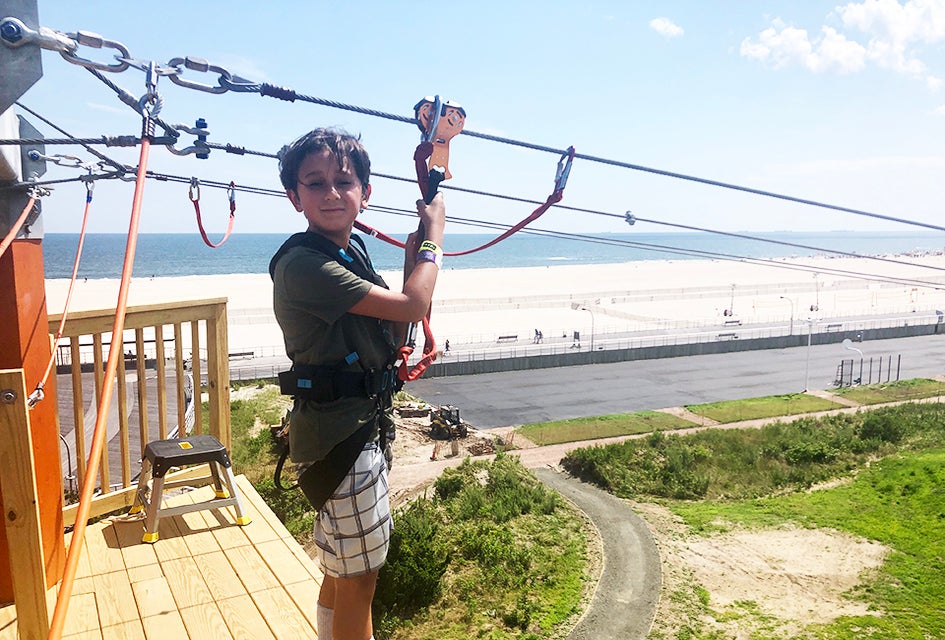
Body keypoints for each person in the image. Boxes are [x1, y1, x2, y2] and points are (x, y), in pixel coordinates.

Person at [270, 128, 445, 640]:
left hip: (352, 429)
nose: (331, 193)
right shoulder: (305, 266)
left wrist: (413, 259)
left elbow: (397, 326)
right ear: (295, 197)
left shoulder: (351, 252)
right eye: (315, 183)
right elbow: (413, 305)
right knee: (360, 578)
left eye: (343, 182)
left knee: (342, 569)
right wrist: (434, 238)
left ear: (364, 194)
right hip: (340, 436)